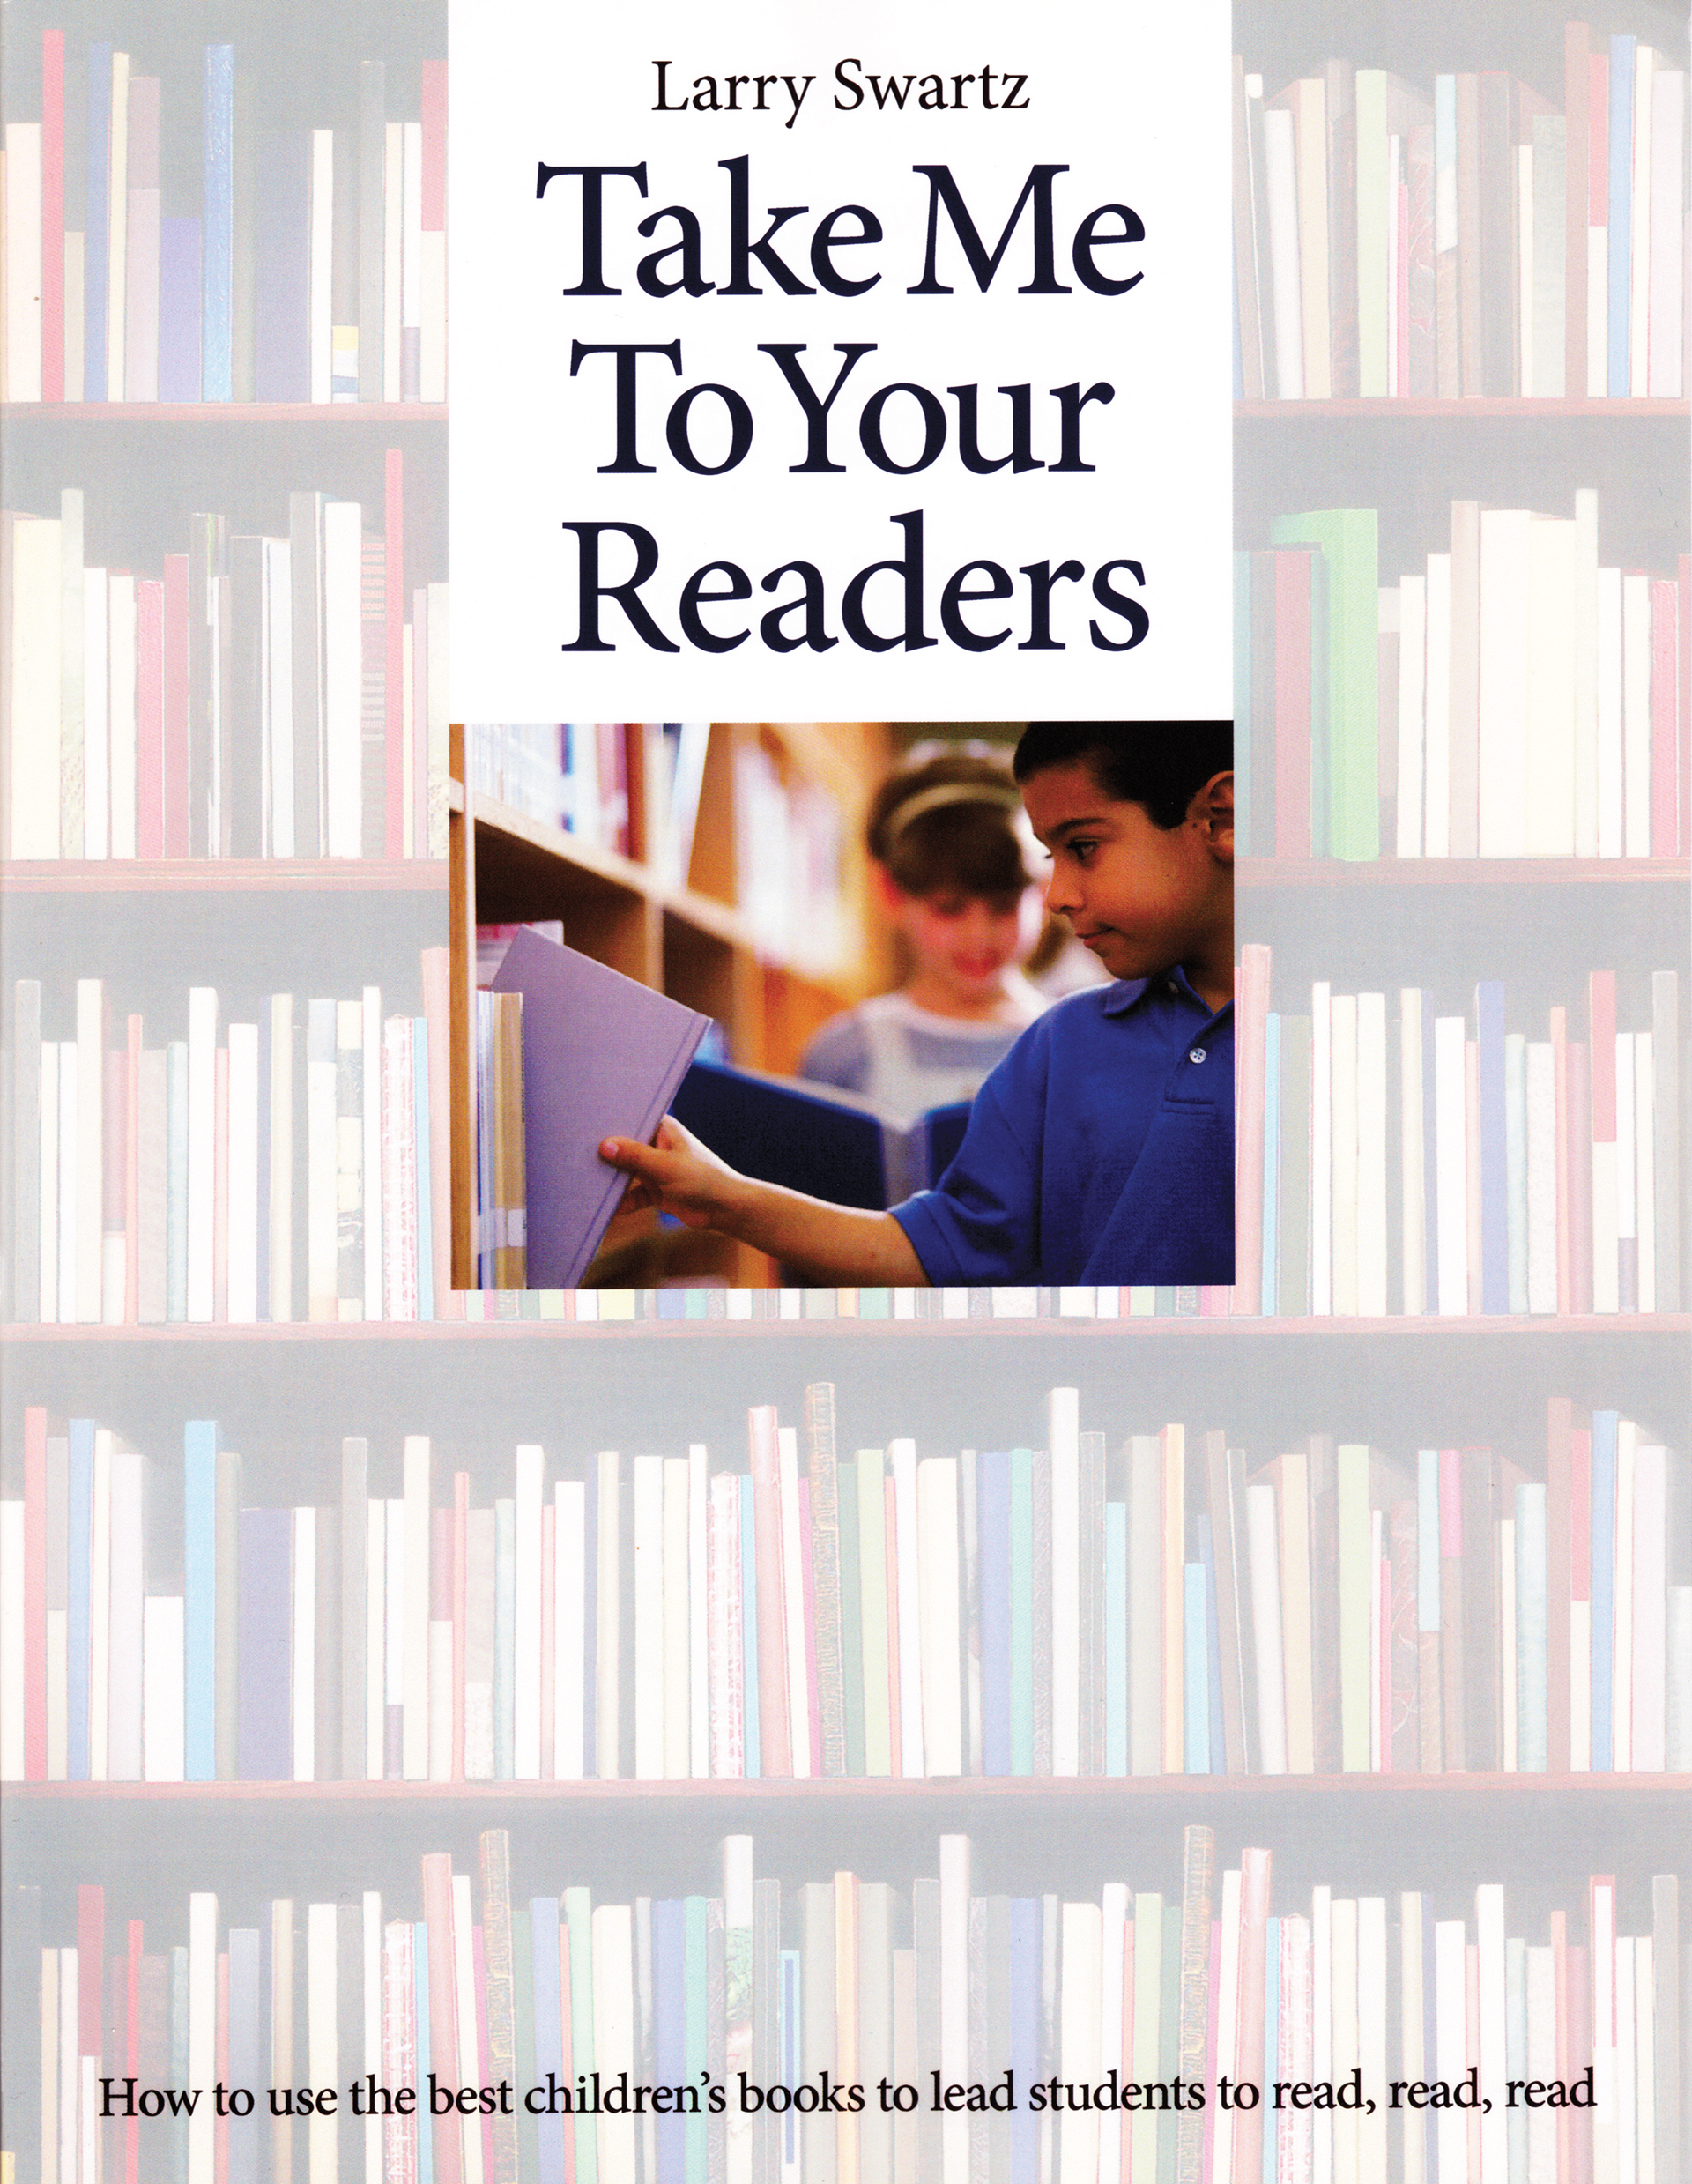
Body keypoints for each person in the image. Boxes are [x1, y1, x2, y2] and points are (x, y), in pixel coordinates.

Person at [600, 721, 1235, 1286]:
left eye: (1084, 848)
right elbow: (946, 1246)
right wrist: (724, 1198)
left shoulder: (1322, 1028)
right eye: (1052, 857)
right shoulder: (1065, 1043)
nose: (1056, 897)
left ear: (1222, 819)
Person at [798, 747, 1049, 1125]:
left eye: (1003, 907)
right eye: (949, 908)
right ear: (890, 893)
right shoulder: (844, 1053)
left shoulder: (1076, 1039)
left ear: (1044, 892)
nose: (979, 936)